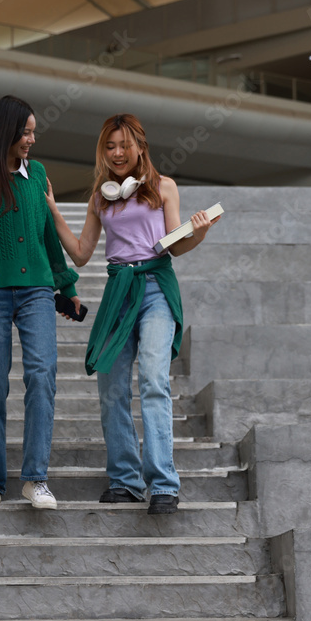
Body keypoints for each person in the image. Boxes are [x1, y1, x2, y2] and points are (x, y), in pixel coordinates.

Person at [45, 113, 217, 515]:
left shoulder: (163, 187)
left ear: (141, 147)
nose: (117, 153)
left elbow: (174, 246)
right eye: (110, 146)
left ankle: (164, 485)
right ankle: (125, 481)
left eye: (124, 145)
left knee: (154, 379)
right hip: (118, 291)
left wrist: (199, 231)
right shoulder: (100, 196)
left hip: (156, 286)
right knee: (111, 388)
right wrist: (53, 210)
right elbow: (82, 254)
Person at [0, 95, 81, 510]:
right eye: (25, 132)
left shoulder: (37, 173)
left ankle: (35, 478)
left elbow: (47, 236)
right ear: (4, 131)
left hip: (37, 289)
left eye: (33, 132)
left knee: (42, 374)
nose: (32, 139)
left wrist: (66, 286)